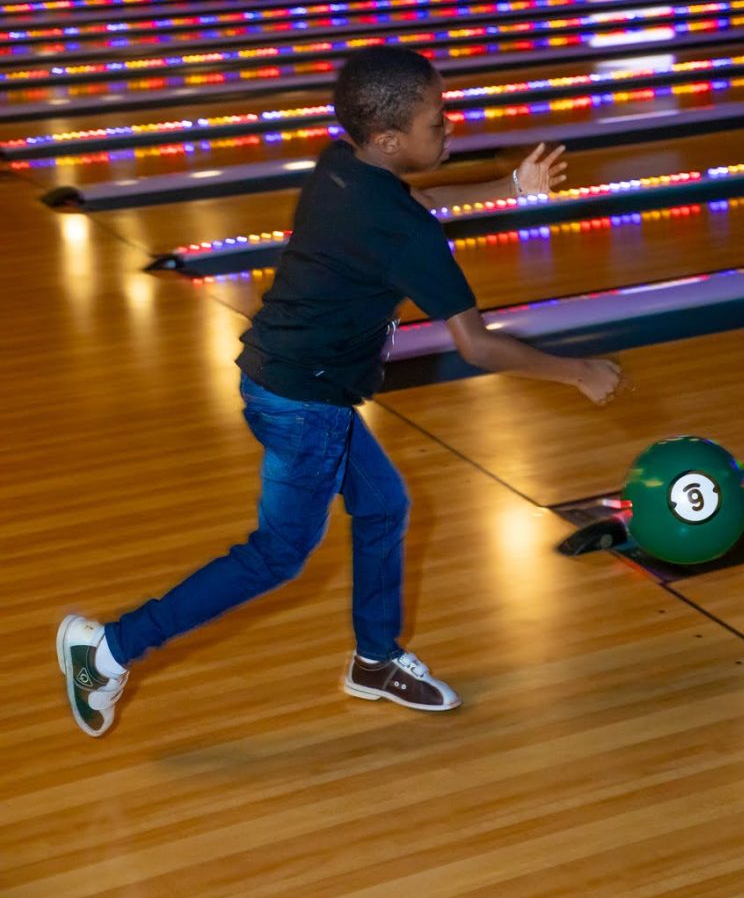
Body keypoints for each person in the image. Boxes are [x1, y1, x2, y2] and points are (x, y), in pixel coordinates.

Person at [57, 45, 622, 737]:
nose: (449, 127)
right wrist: (578, 372)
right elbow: (476, 344)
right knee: (278, 554)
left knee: (384, 506)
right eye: (436, 121)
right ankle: (108, 650)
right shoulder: (402, 231)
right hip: (305, 402)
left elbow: (417, 201)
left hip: (282, 373)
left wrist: (510, 187)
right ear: (389, 139)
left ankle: (375, 660)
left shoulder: (341, 164)